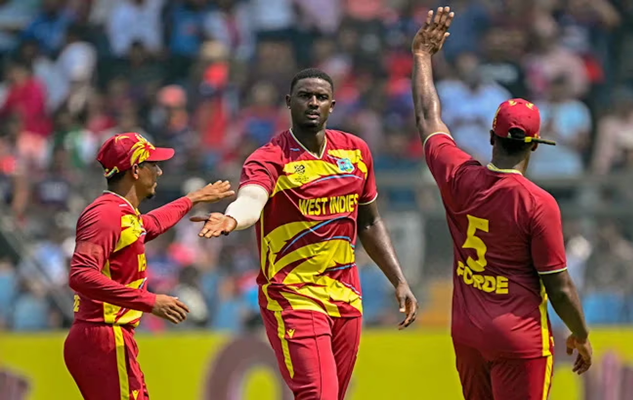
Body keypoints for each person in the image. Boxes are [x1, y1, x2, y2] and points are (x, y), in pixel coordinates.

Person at [191, 68, 418, 400]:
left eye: (321, 97)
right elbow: (252, 199)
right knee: (319, 394)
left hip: (345, 294)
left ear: (332, 105)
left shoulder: (355, 152)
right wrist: (231, 219)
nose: (313, 103)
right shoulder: (269, 158)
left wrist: (399, 280)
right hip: (293, 295)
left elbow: (369, 222)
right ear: (288, 102)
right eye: (305, 96)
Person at [410, 7, 592, 400]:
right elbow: (559, 287)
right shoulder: (538, 203)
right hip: (518, 337)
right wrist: (580, 333)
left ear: (492, 137)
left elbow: (427, 117)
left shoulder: (458, 175)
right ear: (534, 146)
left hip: (468, 334)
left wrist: (422, 56)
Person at [64, 132, 234, 400]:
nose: (159, 171)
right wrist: (149, 301)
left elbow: (151, 225)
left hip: (109, 337)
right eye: (153, 164)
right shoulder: (105, 214)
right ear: (135, 170)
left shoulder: (121, 212)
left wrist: (193, 198)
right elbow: (81, 275)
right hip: (103, 336)